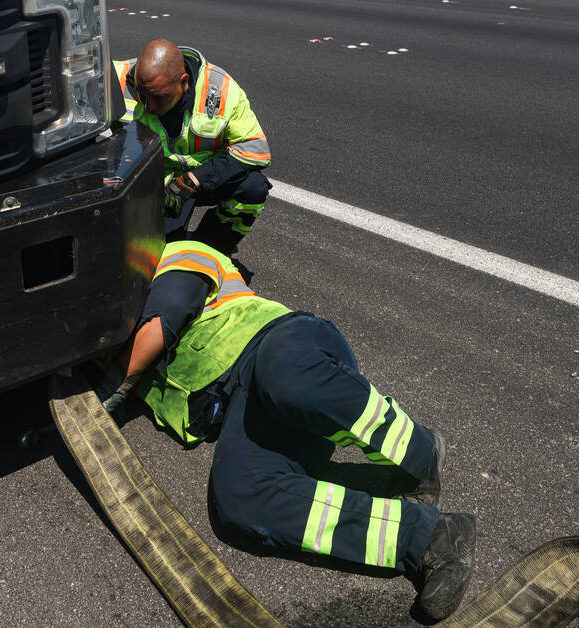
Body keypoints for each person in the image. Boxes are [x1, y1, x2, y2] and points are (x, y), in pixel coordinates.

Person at [97, 240, 477, 624]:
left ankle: (419, 452)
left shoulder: (173, 254)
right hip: (243, 404)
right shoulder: (100, 334)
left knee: (287, 382)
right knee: (241, 499)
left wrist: (106, 390)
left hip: (283, 344)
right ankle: (429, 538)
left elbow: (165, 316)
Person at [113, 40, 270, 255]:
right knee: (154, 257)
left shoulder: (220, 90)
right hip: (149, 183)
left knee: (253, 188)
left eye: (158, 97)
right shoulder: (115, 79)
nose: (149, 106)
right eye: (142, 94)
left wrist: (194, 179)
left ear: (184, 81)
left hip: (197, 180)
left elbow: (255, 150)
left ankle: (211, 248)